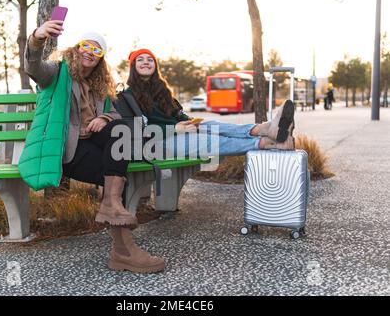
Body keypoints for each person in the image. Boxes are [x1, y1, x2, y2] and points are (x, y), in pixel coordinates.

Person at [23, 21, 165, 273]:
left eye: (97, 49)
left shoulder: (101, 87)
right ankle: (123, 248)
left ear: (101, 58)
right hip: (69, 149)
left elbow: (115, 115)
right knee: (118, 170)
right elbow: (33, 67)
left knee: (118, 159)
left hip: (96, 144)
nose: (90, 51)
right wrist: (37, 37)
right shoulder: (56, 73)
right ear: (77, 49)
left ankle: (120, 240)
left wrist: (105, 118)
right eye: (86, 46)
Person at [122, 48, 295, 160]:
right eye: (140, 59)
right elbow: (137, 130)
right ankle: (269, 143)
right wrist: (174, 129)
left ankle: (265, 129)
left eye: (150, 59)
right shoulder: (127, 95)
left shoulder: (162, 90)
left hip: (178, 133)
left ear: (155, 66)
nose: (146, 62)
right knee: (209, 140)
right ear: (133, 67)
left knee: (210, 124)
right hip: (156, 143)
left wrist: (188, 121)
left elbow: (177, 114)